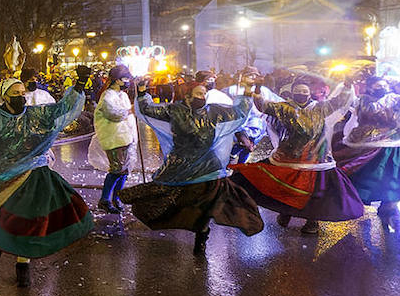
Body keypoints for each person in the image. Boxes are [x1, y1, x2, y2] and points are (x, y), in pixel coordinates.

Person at [0, 80, 91, 288]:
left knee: (30, 220)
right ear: (5, 96)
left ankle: (23, 263)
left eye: (22, 92)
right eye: (15, 93)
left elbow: (62, 109)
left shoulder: (35, 114)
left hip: (34, 174)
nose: (21, 96)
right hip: (2, 175)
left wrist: (78, 87)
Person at [122, 79, 264, 256]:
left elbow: (239, 112)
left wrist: (247, 92)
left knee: (207, 205)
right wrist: (142, 93)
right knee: (175, 201)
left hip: (208, 168)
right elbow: (147, 110)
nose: (202, 97)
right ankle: (182, 224)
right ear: (187, 96)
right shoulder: (174, 111)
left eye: (204, 94)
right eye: (198, 94)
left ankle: (202, 235)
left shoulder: (214, 111)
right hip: (180, 165)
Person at [228, 76, 363, 234]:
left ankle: (312, 220)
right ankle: (287, 210)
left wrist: (347, 86)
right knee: (285, 187)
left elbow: (339, 102)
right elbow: (263, 106)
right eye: (298, 91)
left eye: (305, 91)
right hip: (289, 156)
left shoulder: (320, 107)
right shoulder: (284, 108)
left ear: (310, 93)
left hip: (316, 158)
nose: (301, 94)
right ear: (292, 93)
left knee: (316, 192)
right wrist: (257, 89)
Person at [333, 75, 400, 231]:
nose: (381, 88)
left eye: (383, 85)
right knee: (363, 177)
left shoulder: (394, 99)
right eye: (377, 86)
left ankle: (387, 207)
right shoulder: (361, 100)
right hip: (364, 144)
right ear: (370, 87)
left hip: (391, 144)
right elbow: (343, 102)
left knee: (393, 178)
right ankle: (359, 202)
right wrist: (347, 86)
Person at [91, 65, 137, 214]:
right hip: (114, 138)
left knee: (125, 170)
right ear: (117, 80)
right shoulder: (107, 95)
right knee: (117, 169)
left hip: (126, 137)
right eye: (125, 78)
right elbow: (113, 114)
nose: (127, 81)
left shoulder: (122, 95)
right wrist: (130, 110)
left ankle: (117, 197)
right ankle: (105, 199)